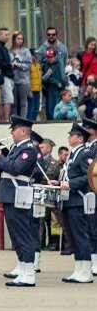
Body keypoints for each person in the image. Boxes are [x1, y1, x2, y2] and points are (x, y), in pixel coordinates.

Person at [0, 115, 44, 286]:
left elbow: (15, 168)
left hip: (18, 194)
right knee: (16, 235)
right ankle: (23, 269)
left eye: (14, 129)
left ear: (23, 131)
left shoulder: (29, 148)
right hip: (11, 194)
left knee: (23, 234)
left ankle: (29, 273)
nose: (12, 133)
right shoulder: (18, 148)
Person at [61, 120, 95, 284]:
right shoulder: (73, 154)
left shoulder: (85, 154)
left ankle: (86, 271)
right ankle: (79, 269)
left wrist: (70, 184)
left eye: (72, 134)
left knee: (81, 236)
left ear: (80, 138)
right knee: (73, 237)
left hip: (78, 199)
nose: (69, 136)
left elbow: (90, 176)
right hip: (69, 199)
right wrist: (59, 182)